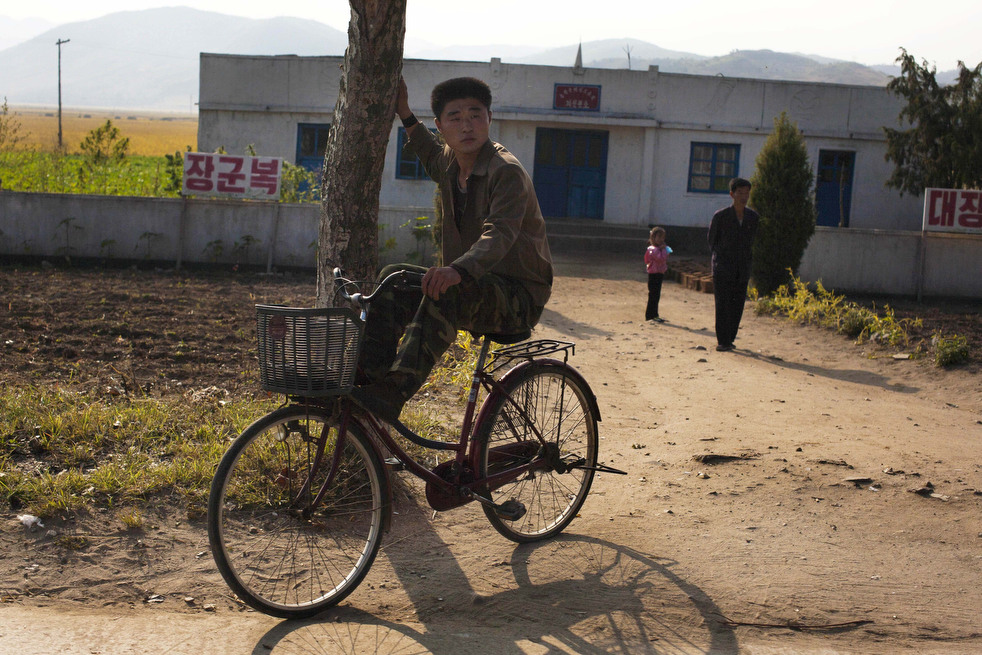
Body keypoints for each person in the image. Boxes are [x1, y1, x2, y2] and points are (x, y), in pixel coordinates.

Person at [352, 76, 553, 423]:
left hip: (517, 294)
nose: (467, 126)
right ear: (441, 126)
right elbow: (430, 154)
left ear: (489, 118)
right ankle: (366, 379)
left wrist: (456, 270)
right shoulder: (451, 162)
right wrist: (405, 114)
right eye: (455, 117)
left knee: (447, 292)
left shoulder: (505, 172)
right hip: (476, 283)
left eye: (475, 115)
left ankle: (393, 392)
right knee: (394, 279)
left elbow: (499, 234)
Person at [708, 177, 758, 352]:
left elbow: (753, 242)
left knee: (737, 304)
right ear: (732, 194)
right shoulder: (721, 216)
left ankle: (730, 337)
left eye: (746, 193)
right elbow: (712, 241)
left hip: (742, 267)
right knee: (723, 303)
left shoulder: (752, 217)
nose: (744, 196)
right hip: (723, 267)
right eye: (740, 193)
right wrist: (720, 260)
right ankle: (723, 340)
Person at [644, 226, 670, 322]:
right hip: (654, 274)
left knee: (656, 295)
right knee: (653, 295)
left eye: (662, 238)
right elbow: (660, 258)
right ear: (653, 238)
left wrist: (664, 249)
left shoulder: (658, 248)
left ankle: (654, 314)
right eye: (659, 237)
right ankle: (650, 315)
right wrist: (663, 250)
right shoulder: (653, 249)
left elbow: (668, 253)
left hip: (659, 273)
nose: (661, 240)